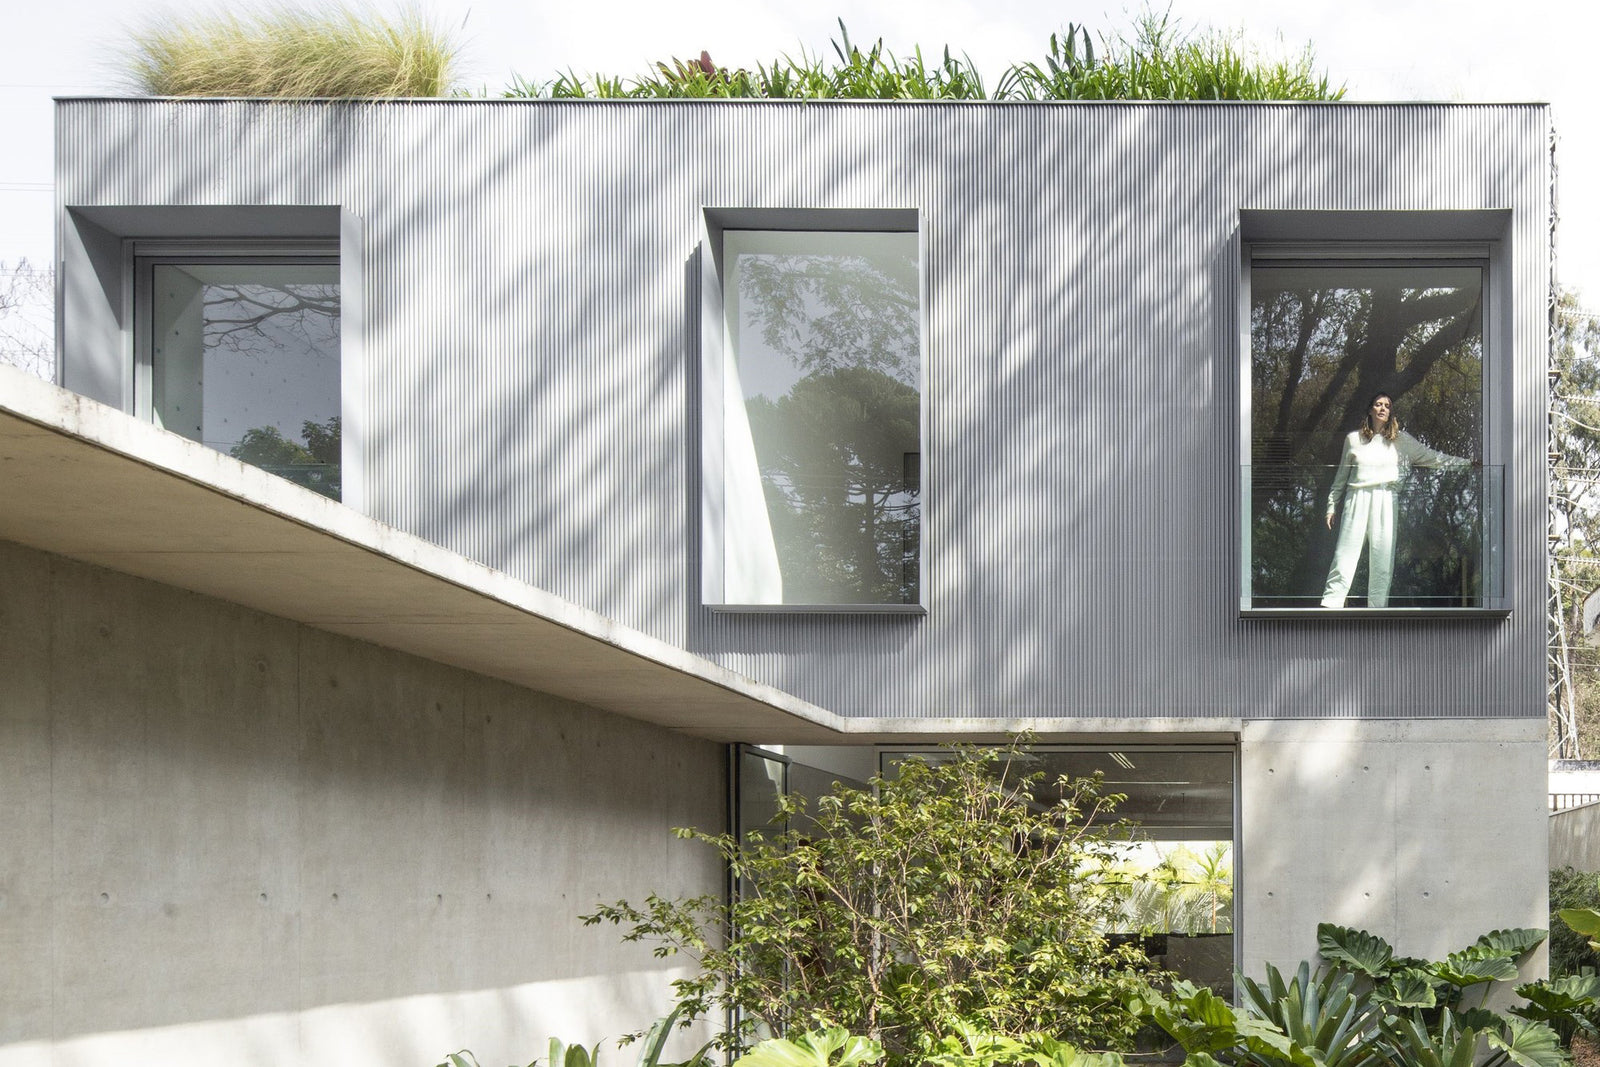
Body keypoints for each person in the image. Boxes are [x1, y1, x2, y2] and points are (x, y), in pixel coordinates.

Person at [1321, 392, 1471, 609]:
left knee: (1382, 557)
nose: (1382, 408)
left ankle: (1377, 608)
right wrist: (1331, 506)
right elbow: (1341, 478)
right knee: (1345, 552)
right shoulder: (1353, 439)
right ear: (1370, 409)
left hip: (1386, 498)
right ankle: (1331, 604)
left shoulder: (1402, 441)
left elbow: (1433, 458)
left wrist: (1466, 463)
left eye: (1387, 405)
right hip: (1357, 498)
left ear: (1391, 412)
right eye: (1378, 404)